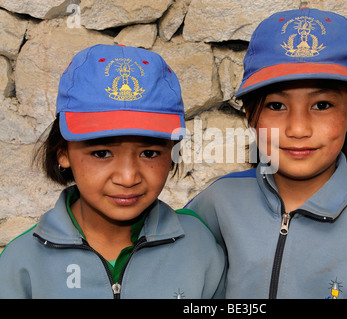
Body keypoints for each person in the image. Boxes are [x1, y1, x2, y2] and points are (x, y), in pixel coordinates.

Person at [185, 8, 347, 298]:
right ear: (250, 113)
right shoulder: (217, 205)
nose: (298, 129)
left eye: (322, 105)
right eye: (276, 105)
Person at [0, 44, 225, 299]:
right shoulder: (23, 265)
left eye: (149, 153)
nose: (128, 178)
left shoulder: (200, 249)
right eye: (102, 153)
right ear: (62, 152)